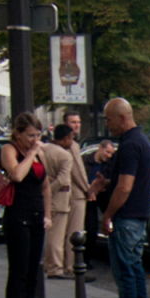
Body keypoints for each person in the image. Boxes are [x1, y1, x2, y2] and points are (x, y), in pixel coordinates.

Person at [98, 98, 150, 298]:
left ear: (122, 117)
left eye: (108, 119)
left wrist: (108, 215)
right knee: (134, 270)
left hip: (127, 217)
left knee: (125, 273)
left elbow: (125, 187)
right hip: (138, 216)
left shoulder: (131, 145)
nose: (107, 125)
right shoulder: (142, 141)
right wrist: (106, 183)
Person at [0, 112, 53, 298]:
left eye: (37, 135)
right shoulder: (10, 149)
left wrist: (47, 214)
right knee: (19, 271)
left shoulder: (38, 154)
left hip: (36, 214)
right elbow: (17, 175)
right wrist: (31, 154)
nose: (34, 140)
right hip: (17, 215)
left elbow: (45, 186)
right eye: (30, 135)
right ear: (18, 134)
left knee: (33, 271)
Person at [42, 124, 75, 279]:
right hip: (59, 199)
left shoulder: (43, 150)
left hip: (45, 198)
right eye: (72, 138)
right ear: (66, 138)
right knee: (56, 236)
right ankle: (55, 267)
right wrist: (47, 192)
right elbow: (62, 179)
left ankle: (49, 264)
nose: (72, 142)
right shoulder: (65, 155)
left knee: (49, 235)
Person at [63, 110, 93, 279]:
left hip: (74, 192)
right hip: (76, 193)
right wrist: (87, 189)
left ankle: (69, 265)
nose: (76, 125)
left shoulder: (73, 144)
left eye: (78, 122)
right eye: (73, 122)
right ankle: (72, 266)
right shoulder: (71, 145)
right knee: (75, 232)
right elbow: (77, 172)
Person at [84, 139, 114, 261]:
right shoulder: (85, 160)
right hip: (87, 195)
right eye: (107, 152)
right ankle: (86, 258)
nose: (109, 156)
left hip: (103, 195)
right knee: (91, 228)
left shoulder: (110, 164)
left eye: (111, 153)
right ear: (100, 148)